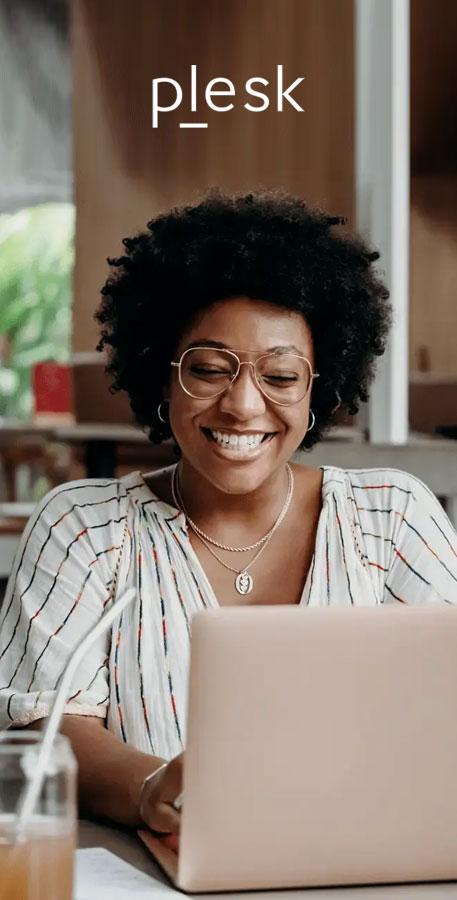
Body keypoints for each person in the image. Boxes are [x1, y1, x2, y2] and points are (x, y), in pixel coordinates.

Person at [1, 190, 456, 850]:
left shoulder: (390, 519)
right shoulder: (85, 529)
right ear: (161, 377)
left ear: (318, 387)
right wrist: (152, 788)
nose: (243, 404)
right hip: (154, 877)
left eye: (280, 375)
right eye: (209, 369)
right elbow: (42, 725)